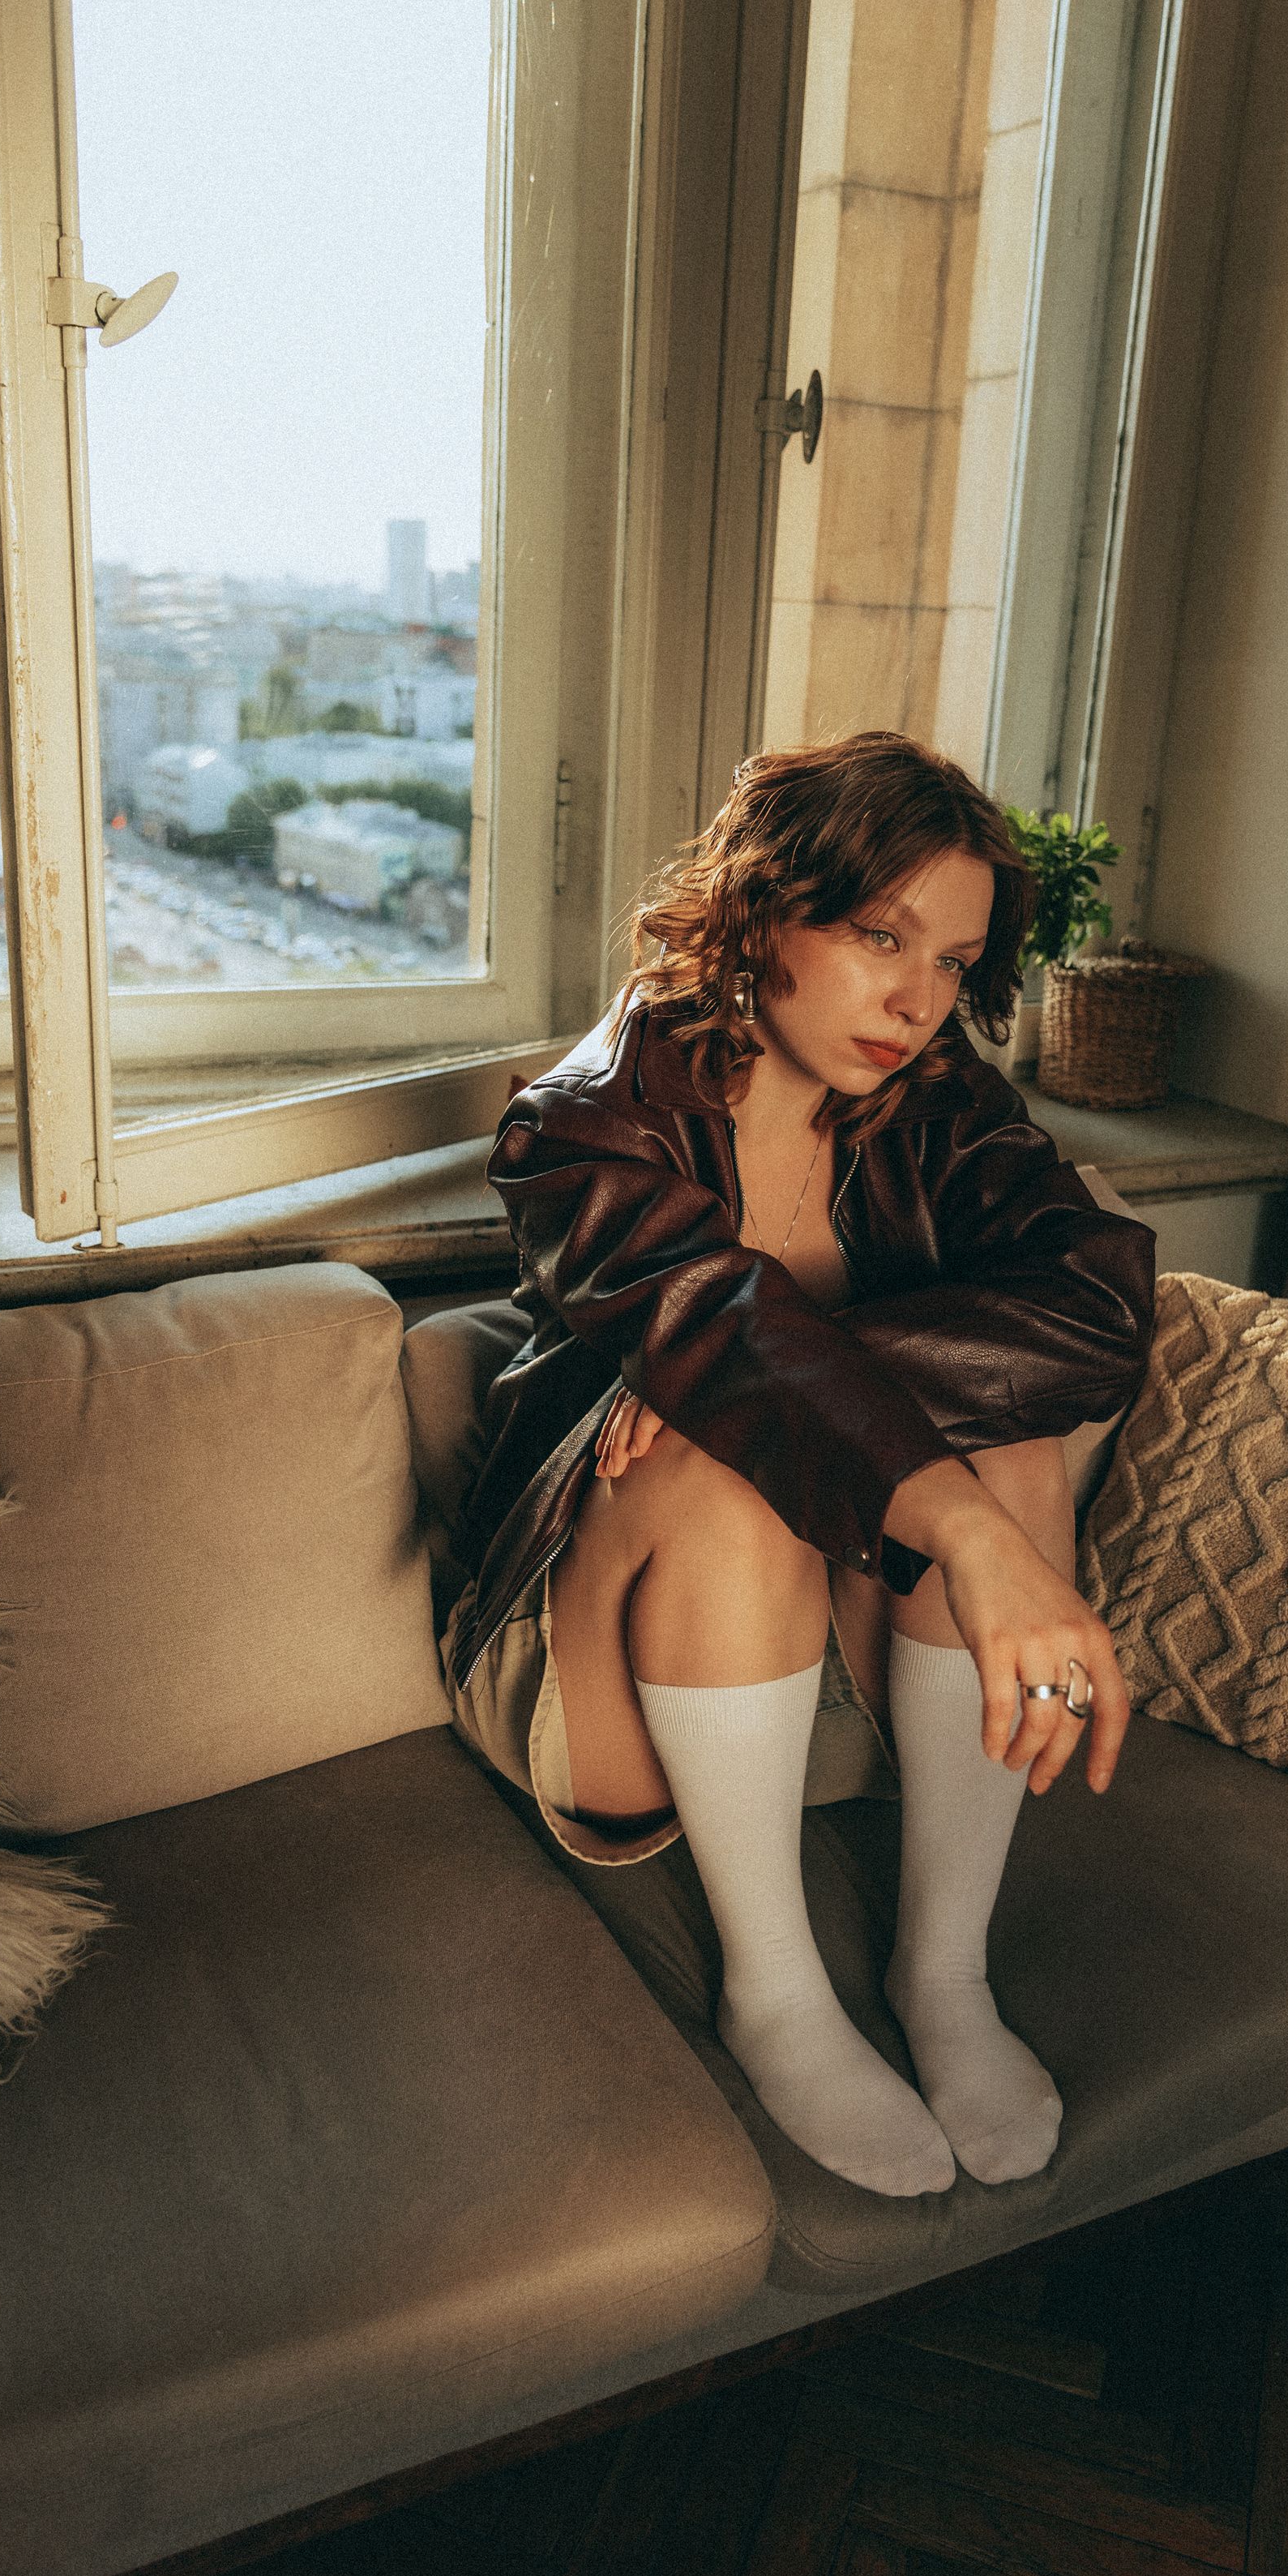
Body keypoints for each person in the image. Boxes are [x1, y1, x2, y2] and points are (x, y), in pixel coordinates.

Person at [443, 732, 1156, 2199]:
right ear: (765, 909)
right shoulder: (582, 1123)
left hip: (821, 1647)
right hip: (590, 1657)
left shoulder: (937, 1101)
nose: (918, 1000)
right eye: (880, 937)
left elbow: (1097, 1312)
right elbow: (713, 1322)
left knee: (1000, 1438)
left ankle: (942, 1974)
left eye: (955, 962)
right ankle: (773, 1996)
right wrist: (930, 1511)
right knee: (727, 1464)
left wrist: (774, 1372)